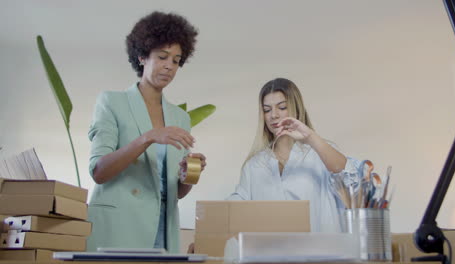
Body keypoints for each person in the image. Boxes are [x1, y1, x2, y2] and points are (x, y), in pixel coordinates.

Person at [87, 11, 206, 252]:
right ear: (142, 56)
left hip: (163, 226)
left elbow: (178, 193)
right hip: (121, 225)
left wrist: (189, 174)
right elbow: (98, 171)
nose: (169, 66)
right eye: (162, 57)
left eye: (176, 60)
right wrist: (148, 137)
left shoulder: (180, 118)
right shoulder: (112, 102)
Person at [228, 78, 361, 233]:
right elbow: (234, 210)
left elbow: (352, 183)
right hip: (271, 254)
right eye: (267, 110)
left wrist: (310, 137)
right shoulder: (255, 165)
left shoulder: (320, 153)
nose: (274, 115)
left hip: (320, 254)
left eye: (282, 107)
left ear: (296, 108)